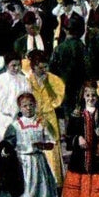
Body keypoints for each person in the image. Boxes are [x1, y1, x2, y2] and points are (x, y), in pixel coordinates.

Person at [25, 49, 66, 186]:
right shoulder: (27, 81)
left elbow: (57, 100)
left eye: (45, 67)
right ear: (33, 67)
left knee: (51, 148)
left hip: (49, 117)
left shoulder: (54, 80)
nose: (43, 70)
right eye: (40, 67)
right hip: (34, 118)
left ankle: (55, 183)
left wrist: (46, 85)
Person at [0, 52, 32, 146]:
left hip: (18, 119)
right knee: (1, 147)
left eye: (18, 65)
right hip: (0, 121)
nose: (17, 68)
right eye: (13, 65)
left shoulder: (24, 81)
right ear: (6, 65)